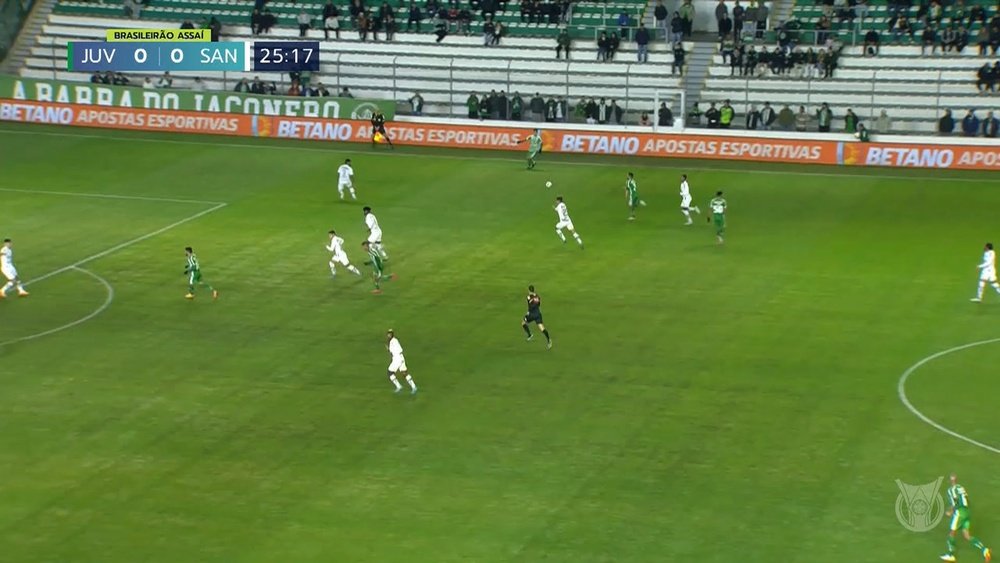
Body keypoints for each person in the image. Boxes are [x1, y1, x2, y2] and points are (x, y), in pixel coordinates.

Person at [940, 474, 992, 561]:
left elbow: (955, 503)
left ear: (950, 481)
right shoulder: (961, 488)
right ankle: (985, 550)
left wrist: (950, 512)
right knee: (967, 535)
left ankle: (951, 554)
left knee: (951, 533)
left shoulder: (951, 490)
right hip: (967, 512)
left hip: (960, 512)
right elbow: (967, 499)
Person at [521, 284, 552, 349]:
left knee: (523, 323)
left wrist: (528, 312)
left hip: (532, 314)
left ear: (529, 290)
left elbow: (530, 306)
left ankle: (529, 335)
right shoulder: (538, 296)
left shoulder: (529, 297)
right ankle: (549, 340)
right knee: (542, 328)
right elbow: (538, 304)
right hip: (538, 314)